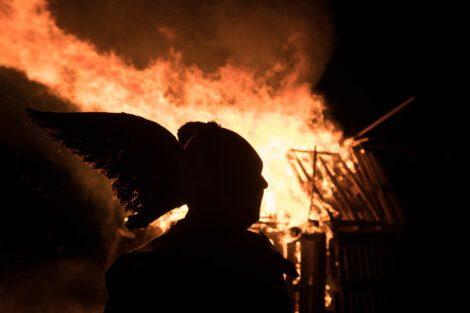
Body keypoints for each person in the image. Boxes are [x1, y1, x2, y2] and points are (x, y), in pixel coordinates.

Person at [104, 121, 298, 313]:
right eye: (249, 174)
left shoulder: (260, 254)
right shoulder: (143, 271)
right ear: (218, 184)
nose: (263, 184)